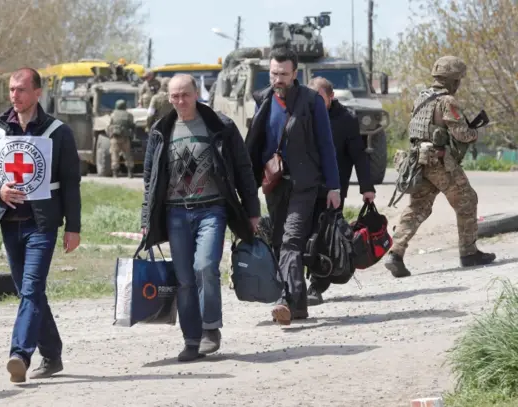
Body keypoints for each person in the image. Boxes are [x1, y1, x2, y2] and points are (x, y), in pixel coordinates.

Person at [140, 74, 261, 362]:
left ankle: (210, 329)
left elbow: (244, 170)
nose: (180, 101)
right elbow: (150, 180)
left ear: (197, 94)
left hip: (212, 210)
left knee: (205, 266)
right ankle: (191, 340)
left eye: (185, 95)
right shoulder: (161, 131)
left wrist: (253, 210)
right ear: (169, 98)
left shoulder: (220, 126)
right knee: (184, 279)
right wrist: (146, 218)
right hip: (175, 213)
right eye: (175, 96)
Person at [0, 67, 82, 383]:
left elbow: (71, 183)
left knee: (32, 288)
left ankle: (19, 355)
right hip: (10, 223)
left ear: (38, 93)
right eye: (11, 89)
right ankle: (52, 354)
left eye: (21, 89)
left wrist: (73, 227)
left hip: (42, 223)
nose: (15, 95)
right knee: (29, 291)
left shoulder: (58, 132)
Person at [245, 47, 341, 326]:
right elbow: (256, 143)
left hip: (305, 184)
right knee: (278, 242)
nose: (278, 79)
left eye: (284, 74)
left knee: (291, 240)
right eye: (274, 73)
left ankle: (285, 299)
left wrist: (333, 187)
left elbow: (326, 145)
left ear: (295, 74)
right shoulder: (262, 99)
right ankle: (298, 307)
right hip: (274, 184)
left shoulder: (311, 101)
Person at [384, 55, 495, 277]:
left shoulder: (422, 98)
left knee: (418, 208)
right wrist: (474, 133)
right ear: (454, 80)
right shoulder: (447, 101)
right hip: (439, 163)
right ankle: (469, 253)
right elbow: (461, 133)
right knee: (467, 200)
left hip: (419, 162)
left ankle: (395, 253)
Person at [306, 77, 376, 306]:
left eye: (320, 99)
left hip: (333, 190)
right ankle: (293, 284)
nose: (315, 103)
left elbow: (358, 154)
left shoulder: (346, 119)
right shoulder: (302, 113)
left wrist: (367, 187)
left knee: (325, 238)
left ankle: (316, 285)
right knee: (301, 236)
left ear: (331, 97)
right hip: (303, 187)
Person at [108, 99, 135, 178]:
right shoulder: (128, 115)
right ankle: (130, 173)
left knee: (115, 155)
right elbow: (132, 125)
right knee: (128, 155)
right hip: (125, 138)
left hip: (115, 138)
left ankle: (115, 173)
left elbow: (110, 125)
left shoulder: (113, 114)